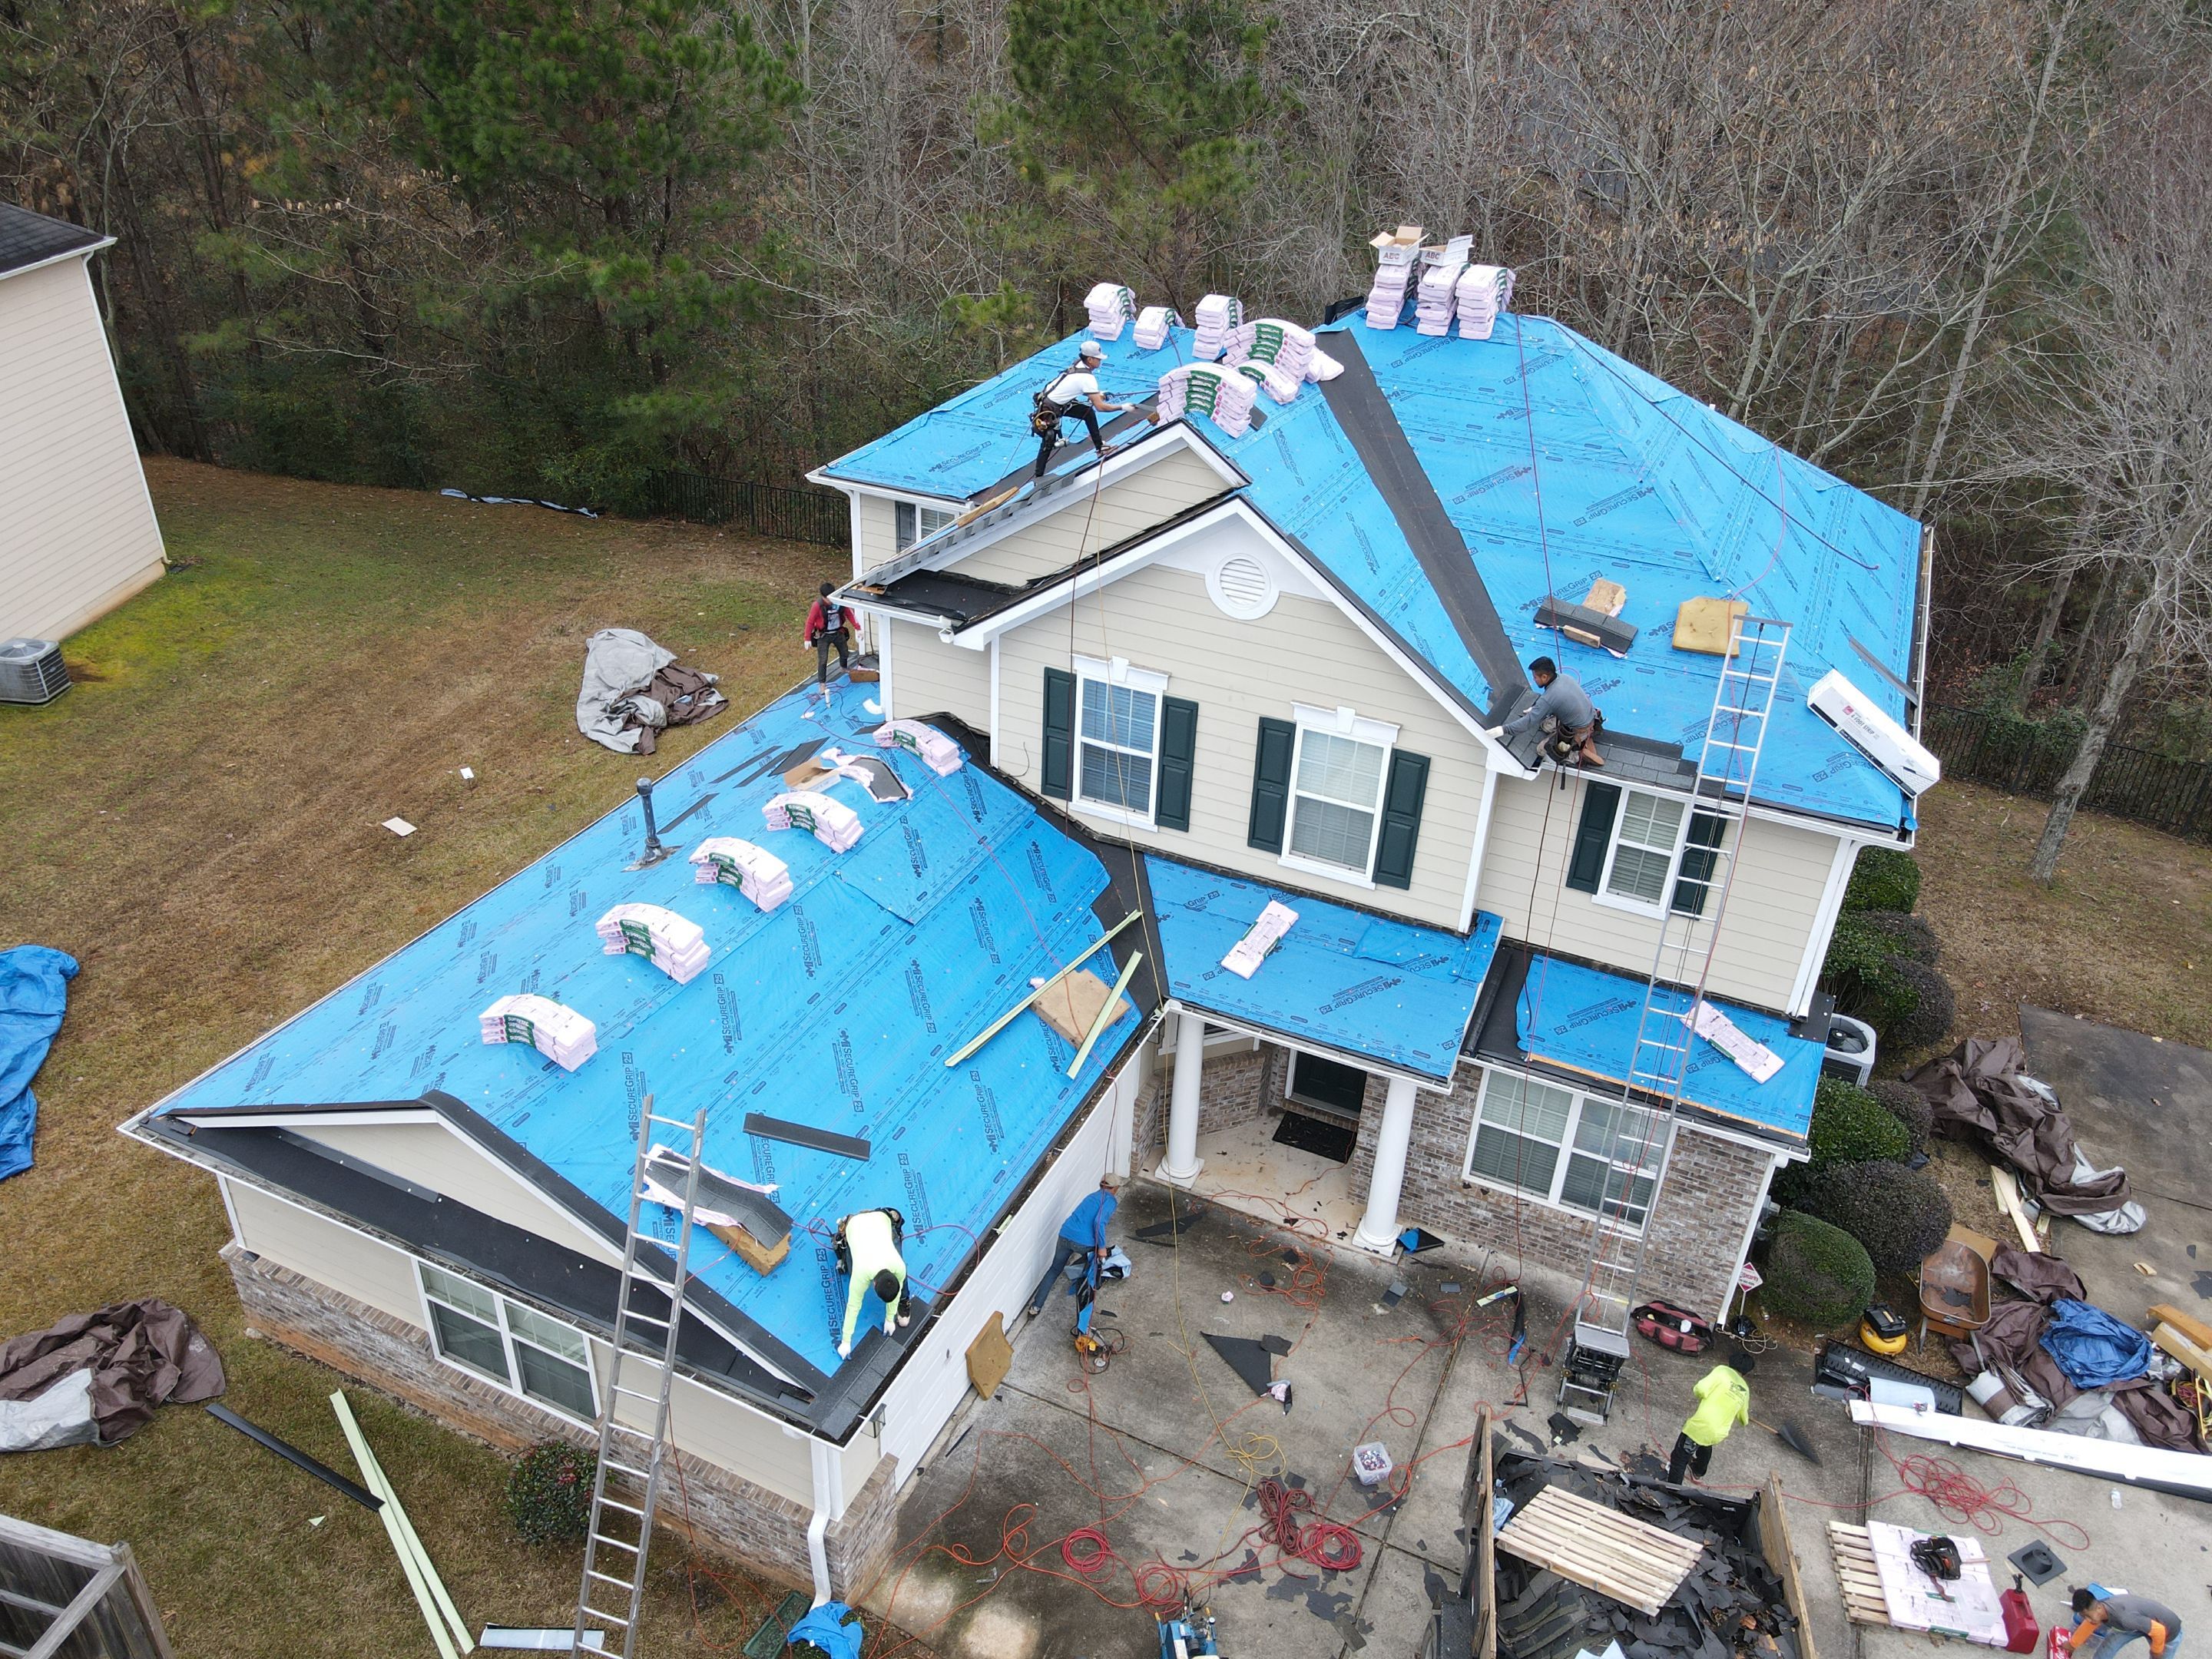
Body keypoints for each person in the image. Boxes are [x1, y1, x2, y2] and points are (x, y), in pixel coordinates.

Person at [1031, 340, 1146, 479]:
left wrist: (1099, 394)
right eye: (1098, 359)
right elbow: (1100, 407)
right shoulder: (1087, 378)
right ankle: (1038, 476)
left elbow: (1076, 387)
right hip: (1051, 408)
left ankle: (1100, 447)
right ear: (1090, 359)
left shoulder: (1078, 363)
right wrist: (1123, 407)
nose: (1100, 362)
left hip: (1052, 400)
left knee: (1088, 413)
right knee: (1049, 440)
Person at [1491, 656, 1604, 767]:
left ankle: (1577, 755)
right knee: (1545, 726)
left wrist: (1503, 729)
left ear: (1544, 677)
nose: (1534, 680)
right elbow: (1556, 701)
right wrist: (1536, 708)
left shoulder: (1549, 698)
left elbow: (1528, 722)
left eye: (1535, 677)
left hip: (1580, 729)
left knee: (1541, 750)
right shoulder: (1564, 677)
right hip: (1589, 716)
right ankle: (1586, 736)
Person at [833, 1207, 912, 1359]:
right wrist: (846, 1341)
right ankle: (847, 1232)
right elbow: (853, 1306)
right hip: (855, 1225)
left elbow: (898, 1287)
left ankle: (905, 1301)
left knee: (896, 1246)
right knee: (850, 1266)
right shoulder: (861, 1273)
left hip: (881, 1219)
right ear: (874, 1285)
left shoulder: (899, 1267)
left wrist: (890, 1319)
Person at [1667, 1362, 1750, 1484]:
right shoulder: (1745, 1389)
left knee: (1679, 1459)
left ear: (1731, 1363)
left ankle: (1672, 1493)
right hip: (1718, 1433)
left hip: (1700, 1426)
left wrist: (1702, 1395)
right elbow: (1744, 1420)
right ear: (1746, 1373)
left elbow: (1700, 1389)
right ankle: (1698, 1471)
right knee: (1705, 1443)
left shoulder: (1722, 1370)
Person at [2067, 1588, 2184, 1659]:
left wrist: (2156, 1652)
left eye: (2088, 1616)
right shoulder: (2100, 1608)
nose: (2088, 1619)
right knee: (2106, 1649)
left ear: (2098, 1607)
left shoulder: (2125, 1617)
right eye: (2084, 1617)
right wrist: (2072, 1644)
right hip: (2135, 1625)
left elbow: (2159, 1631)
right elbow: (2090, 1624)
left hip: (2167, 1631)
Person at [805, 583, 859, 687]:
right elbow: (810, 622)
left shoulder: (839, 602)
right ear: (823, 597)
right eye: (828, 600)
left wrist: (858, 628)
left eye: (832, 598)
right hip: (823, 635)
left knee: (845, 653)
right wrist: (807, 638)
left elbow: (849, 614)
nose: (830, 601)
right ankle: (822, 684)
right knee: (823, 660)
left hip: (838, 632)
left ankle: (843, 667)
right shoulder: (817, 606)